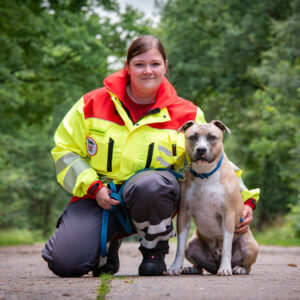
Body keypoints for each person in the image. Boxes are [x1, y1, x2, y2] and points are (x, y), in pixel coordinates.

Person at [42, 35, 259, 277]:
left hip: (152, 199)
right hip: (100, 197)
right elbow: (65, 151)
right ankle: (107, 249)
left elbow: (216, 162)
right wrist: (93, 187)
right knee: (65, 263)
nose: (148, 71)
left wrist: (247, 200)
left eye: (155, 64)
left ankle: (153, 251)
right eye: (139, 64)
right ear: (127, 66)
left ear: (165, 66)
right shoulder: (91, 103)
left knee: (151, 184)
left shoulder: (187, 113)